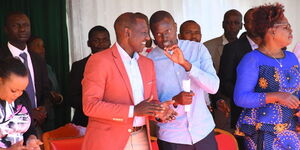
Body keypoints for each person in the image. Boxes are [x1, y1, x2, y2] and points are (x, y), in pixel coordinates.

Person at [81, 12, 176, 150]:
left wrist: (159, 110)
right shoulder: (99, 61)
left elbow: (151, 101)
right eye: (144, 32)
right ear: (127, 32)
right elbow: (90, 106)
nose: (148, 37)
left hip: (141, 137)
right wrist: (133, 111)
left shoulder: (148, 63)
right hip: (108, 141)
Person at [148, 10, 219, 150]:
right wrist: (174, 101)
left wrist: (187, 65)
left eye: (168, 30)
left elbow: (214, 87)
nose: (164, 37)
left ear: (175, 27)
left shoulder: (197, 49)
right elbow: (150, 103)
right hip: (172, 136)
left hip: (203, 132)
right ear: (152, 35)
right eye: (158, 34)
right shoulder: (149, 61)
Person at [234, 3, 300, 149]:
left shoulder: (291, 58)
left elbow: (297, 89)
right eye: (286, 26)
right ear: (271, 30)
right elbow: (240, 98)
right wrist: (276, 96)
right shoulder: (252, 59)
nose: (291, 30)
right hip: (263, 132)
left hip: (292, 130)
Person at [0, 12, 52, 137]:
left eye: (26, 25)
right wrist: (28, 112)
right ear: (6, 29)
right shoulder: (1, 58)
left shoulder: (38, 59)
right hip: (6, 127)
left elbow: (46, 90)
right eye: (16, 25)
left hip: (35, 127)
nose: (22, 29)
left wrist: (43, 109)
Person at [218, 8, 261, 133]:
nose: (255, 25)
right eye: (251, 21)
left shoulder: (273, 47)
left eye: (258, 21)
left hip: (270, 112)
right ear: (245, 25)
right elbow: (225, 82)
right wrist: (248, 97)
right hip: (244, 112)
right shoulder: (232, 48)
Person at [69, 25, 111, 127]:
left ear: (110, 42)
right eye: (96, 40)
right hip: (86, 123)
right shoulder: (78, 66)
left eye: (105, 40)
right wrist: (97, 106)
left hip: (113, 121)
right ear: (88, 43)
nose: (101, 44)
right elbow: (72, 98)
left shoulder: (120, 64)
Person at [0, 57, 42, 149]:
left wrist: (31, 140)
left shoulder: (23, 97)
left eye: (22, 90)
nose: (18, 94)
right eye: (14, 90)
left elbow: (30, 130)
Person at [204, 9, 242, 73]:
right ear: (223, 25)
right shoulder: (207, 47)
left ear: (241, 26)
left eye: (236, 23)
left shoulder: (245, 47)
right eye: (229, 23)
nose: (232, 26)